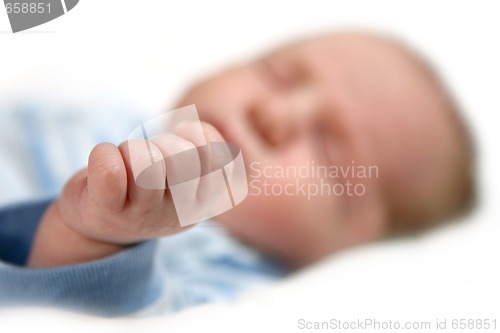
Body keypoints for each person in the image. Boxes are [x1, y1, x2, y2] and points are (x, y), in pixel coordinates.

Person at [0, 32, 474, 316]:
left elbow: (135, 314)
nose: (272, 111)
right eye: (278, 74)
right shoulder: (104, 102)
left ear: (347, 248)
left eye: (328, 151)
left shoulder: (231, 276)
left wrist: (101, 234)